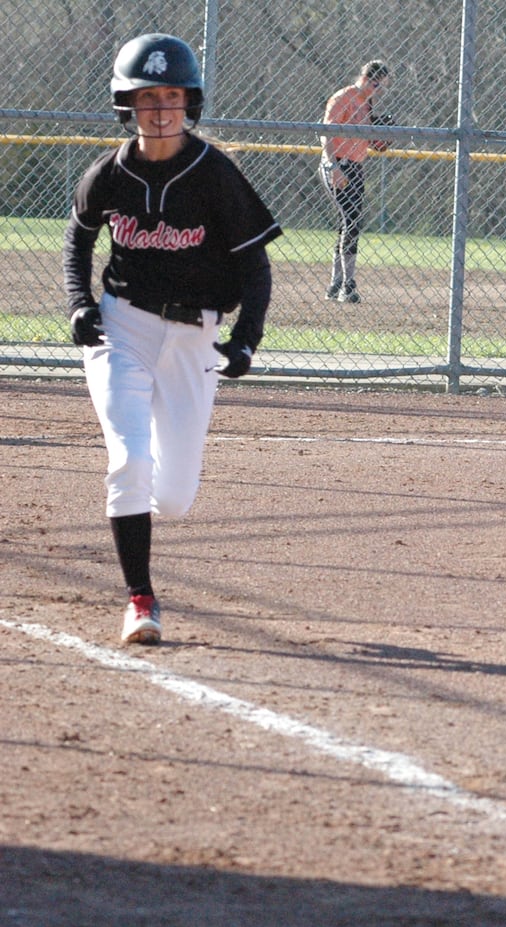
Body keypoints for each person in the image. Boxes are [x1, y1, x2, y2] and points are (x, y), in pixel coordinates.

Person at [62, 33, 282, 645]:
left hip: (194, 339)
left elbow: (254, 267)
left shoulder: (214, 174)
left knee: (176, 497)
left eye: (172, 96)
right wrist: (81, 304)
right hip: (122, 326)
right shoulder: (108, 174)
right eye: (146, 96)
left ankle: (142, 508)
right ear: (125, 104)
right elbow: (77, 240)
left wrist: (247, 339)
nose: (160, 108)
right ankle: (140, 600)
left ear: (191, 103)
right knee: (129, 459)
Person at [320, 60, 391, 304]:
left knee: (349, 221)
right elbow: (326, 132)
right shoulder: (344, 97)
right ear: (365, 78)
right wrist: (333, 166)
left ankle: (336, 283)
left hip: (356, 166)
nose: (377, 90)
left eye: (381, 87)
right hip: (339, 163)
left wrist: (381, 138)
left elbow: (371, 143)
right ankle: (347, 285)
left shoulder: (366, 104)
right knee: (351, 218)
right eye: (375, 84)